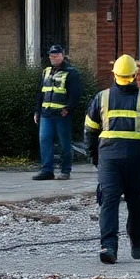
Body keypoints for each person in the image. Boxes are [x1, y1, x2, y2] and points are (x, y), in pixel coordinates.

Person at [84, 55, 140, 264]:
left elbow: (90, 131)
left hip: (109, 159)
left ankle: (108, 246)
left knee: (109, 202)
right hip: (137, 159)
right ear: (135, 75)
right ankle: (136, 241)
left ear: (115, 75)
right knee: (136, 202)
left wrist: (94, 156)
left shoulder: (101, 97)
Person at [34, 44, 83, 182]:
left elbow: (76, 93)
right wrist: (37, 111)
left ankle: (65, 171)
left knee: (64, 143)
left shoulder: (71, 72)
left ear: (62, 55)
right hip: (46, 113)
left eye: (56, 56)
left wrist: (68, 108)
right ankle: (47, 171)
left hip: (62, 114)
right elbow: (40, 93)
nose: (53, 58)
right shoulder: (46, 71)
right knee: (44, 140)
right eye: (51, 56)